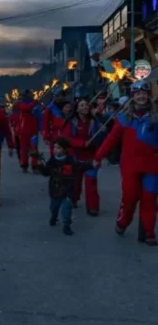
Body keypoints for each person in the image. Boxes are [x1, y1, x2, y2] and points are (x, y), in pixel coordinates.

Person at [93, 80, 158, 246]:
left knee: (149, 198)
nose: (141, 96)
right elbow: (110, 141)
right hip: (130, 167)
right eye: (137, 94)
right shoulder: (123, 119)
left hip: (151, 166)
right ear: (133, 97)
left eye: (144, 93)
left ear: (148, 96)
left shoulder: (155, 119)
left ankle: (148, 231)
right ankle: (122, 222)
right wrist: (98, 156)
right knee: (130, 197)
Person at [36, 137, 93, 235]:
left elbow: (80, 166)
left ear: (65, 150)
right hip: (55, 190)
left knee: (67, 209)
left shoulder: (71, 161)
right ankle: (54, 216)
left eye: (58, 148)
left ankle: (67, 225)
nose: (55, 150)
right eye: (54, 147)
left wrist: (92, 164)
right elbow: (47, 172)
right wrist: (41, 166)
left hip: (67, 190)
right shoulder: (52, 161)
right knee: (54, 207)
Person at [61, 98, 106, 215]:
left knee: (91, 182)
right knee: (75, 182)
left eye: (86, 105)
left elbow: (102, 139)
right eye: (81, 105)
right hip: (75, 157)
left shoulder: (94, 121)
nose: (85, 107)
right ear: (77, 109)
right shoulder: (72, 122)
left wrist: (102, 131)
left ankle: (93, 207)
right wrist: (81, 143)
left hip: (91, 157)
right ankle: (74, 199)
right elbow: (66, 138)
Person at [13, 89, 41, 173]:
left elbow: (39, 116)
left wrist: (41, 128)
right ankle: (24, 165)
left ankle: (35, 166)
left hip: (34, 130)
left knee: (34, 148)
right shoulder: (19, 103)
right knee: (24, 149)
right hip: (23, 130)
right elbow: (26, 108)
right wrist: (34, 103)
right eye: (28, 94)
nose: (30, 96)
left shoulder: (34, 104)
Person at [42, 86, 67, 157]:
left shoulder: (68, 106)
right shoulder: (50, 108)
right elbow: (45, 123)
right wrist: (46, 136)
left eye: (58, 96)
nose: (56, 97)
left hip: (67, 134)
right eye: (55, 96)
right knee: (55, 153)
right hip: (55, 134)